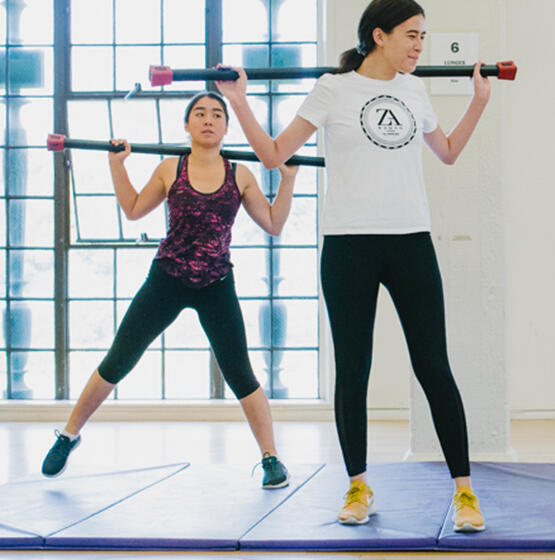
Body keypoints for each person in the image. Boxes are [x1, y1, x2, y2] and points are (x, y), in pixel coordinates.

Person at [214, 0, 492, 530]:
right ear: (379, 35)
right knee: (354, 371)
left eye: (424, 37)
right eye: (411, 34)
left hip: (410, 242)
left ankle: (465, 492)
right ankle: (358, 486)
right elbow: (274, 155)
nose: (418, 45)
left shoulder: (415, 89)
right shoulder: (332, 88)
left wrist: (478, 101)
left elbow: (449, 152)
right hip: (348, 247)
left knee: (434, 365)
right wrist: (239, 102)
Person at [41, 91, 297, 489]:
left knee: (241, 373)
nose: (208, 120)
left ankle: (271, 458)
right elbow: (133, 209)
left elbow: (274, 223)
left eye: (216, 114)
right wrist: (116, 166)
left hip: (216, 282)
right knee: (118, 359)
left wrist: (289, 179)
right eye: (199, 113)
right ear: (187, 125)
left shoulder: (240, 174)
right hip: (167, 279)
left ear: (227, 127)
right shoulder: (169, 168)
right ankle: (68, 435)